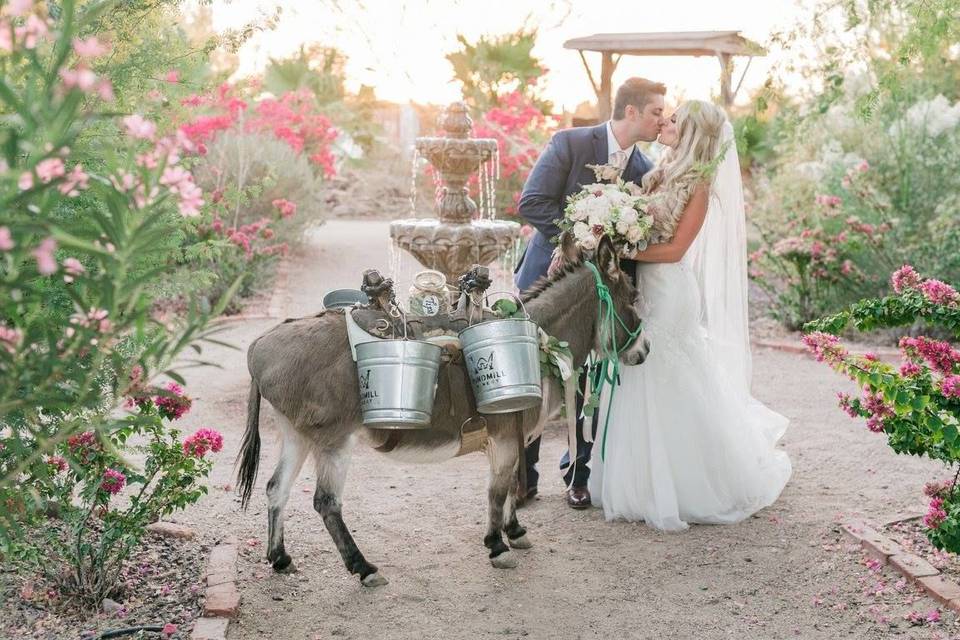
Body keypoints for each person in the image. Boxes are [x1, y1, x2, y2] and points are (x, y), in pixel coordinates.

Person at [588, 100, 792, 530]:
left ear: (693, 132)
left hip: (670, 290)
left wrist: (627, 248)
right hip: (641, 285)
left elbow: (677, 249)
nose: (665, 122)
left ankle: (685, 484)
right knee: (635, 371)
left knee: (666, 373)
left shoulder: (699, 184)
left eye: (675, 119)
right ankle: (636, 480)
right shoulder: (658, 171)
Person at [514, 77, 665, 508]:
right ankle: (523, 475)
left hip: (600, 298)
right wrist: (579, 238)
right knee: (534, 377)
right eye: (656, 112)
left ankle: (578, 474)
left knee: (589, 381)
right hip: (549, 279)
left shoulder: (645, 170)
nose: (662, 120)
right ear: (632, 111)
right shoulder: (570, 144)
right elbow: (533, 202)